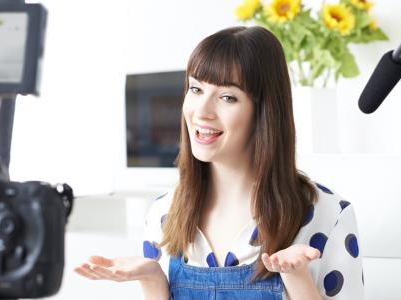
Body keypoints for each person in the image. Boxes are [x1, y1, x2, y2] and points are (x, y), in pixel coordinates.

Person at [74, 26, 365, 299]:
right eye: (196, 89)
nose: (202, 111)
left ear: (264, 112)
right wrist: (151, 279)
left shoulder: (327, 214)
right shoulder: (164, 212)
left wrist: (297, 277)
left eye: (227, 97)